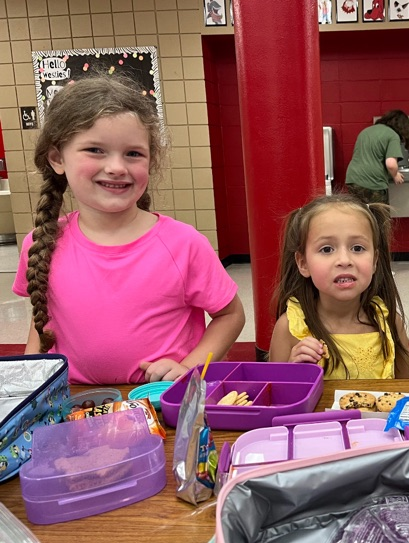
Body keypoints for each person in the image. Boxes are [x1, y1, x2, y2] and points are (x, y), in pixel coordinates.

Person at [13, 77, 245, 385]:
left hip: (160, 401)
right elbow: (41, 321)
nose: (117, 167)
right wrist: (30, 384)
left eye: (133, 154)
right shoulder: (41, 243)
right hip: (73, 403)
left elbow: (230, 315)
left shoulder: (182, 244)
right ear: (57, 158)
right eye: (95, 149)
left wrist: (190, 366)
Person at [269, 193, 409, 379]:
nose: (344, 260)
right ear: (303, 263)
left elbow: (408, 390)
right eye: (327, 249)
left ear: (374, 261)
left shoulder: (390, 322)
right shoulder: (289, 328)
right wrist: (294, 371)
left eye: (357, 248)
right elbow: (275, 397)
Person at [345, 110, 409, 205]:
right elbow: (391, 164)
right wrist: (395, 175)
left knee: (361, 215)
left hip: (353, 180)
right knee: (380, 217)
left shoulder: (366, 131)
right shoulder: (393, 135)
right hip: (373, 182)